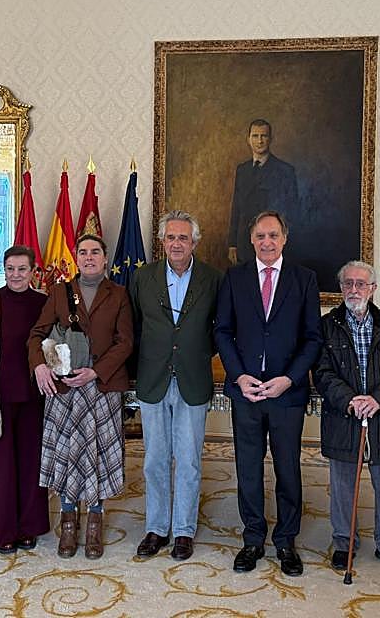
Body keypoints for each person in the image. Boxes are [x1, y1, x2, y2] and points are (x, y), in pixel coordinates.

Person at [214, 210, 322, 577]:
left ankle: (286, 540)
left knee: (288, 468)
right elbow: (222, 332)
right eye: (260, 236)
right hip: (246, 391)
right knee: (248, 468)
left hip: (284, 393)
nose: (267, 242)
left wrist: (289, 379)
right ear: (252, 240)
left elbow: (312, 338)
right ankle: (253, 538)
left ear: (285, 238)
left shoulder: (304, 279)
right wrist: (240, 376)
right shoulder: (235, 277)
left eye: (273, 235)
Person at [29, 234, 134, 560]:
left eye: (95, 252)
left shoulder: (118, 294)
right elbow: (37, 334)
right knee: (68, 454)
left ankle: (95, 521)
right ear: (76, 258)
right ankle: (69, 519)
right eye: (83, 252)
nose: (89, 257)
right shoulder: (60, 292)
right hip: (64, 390)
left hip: (100, 387)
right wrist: (39, 367)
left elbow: (125, 341)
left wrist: (95, 371)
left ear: (105, 259)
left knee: (96, 455)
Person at [127, 210, 222, 561]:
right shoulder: (142, 277)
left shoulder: (212, 278)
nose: (177, 243)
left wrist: (194, 352)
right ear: (162, 242)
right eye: (171, 237)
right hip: (154, 378)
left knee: (189, 459)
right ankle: (156, 528)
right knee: (153, 459)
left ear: (194, 242)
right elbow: (135, 327)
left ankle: (183, 530)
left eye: (184, 238)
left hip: (193, 378)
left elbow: (219, 328)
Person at [314, 260, 380, 573]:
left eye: (361, 284)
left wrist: (377, 400)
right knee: (343, 486)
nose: (354, 289)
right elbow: (321, 371)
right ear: (340, 288)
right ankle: (344, 543)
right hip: (344, 415)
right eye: (348, 283)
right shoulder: (326, 326)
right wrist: (349, 400)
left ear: (372, 289)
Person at [0, 245, 50, 553]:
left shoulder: (44, 302)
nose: (16, 275)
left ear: (33, 271)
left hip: (35, 394)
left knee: (31, 463)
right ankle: (3, 531)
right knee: (2, 467)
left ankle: (30, 526)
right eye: (10, 269)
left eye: (22, 269)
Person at [227, 119, 298, 265]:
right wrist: (232, 244)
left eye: (263, 136)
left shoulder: (285, 171)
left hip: (273, 244)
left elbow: (292, 211)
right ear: (248, 139)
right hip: (244, 244)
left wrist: (281, 242)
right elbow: (237, 207)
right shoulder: (242, 170)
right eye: (255, 136)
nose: (259, 141)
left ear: (270, 139)